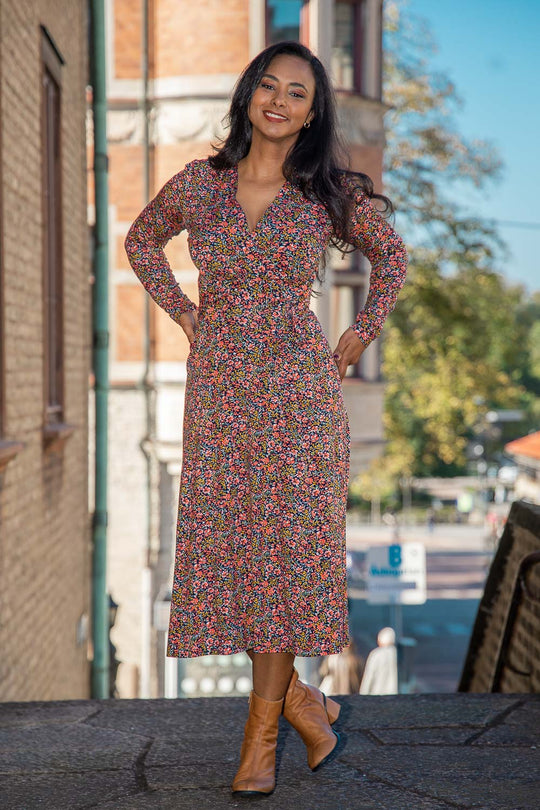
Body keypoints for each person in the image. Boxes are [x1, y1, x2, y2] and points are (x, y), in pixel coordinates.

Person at [125, 41, 407, 798]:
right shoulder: (198, 185)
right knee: (241, 557)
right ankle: (304, 705)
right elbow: (140, 242)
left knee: (282, 562)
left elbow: (394, 260)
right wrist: (187, 315)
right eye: (270, 86)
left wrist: (360, 332)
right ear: (250, 94)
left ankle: (259, 743)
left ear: (313, 114)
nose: (280, 101)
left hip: (298, 396)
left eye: (298, 94)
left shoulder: (326, 193)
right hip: (220, 398)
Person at [359, 627, 399, 695]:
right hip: (396, 695)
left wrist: (363, 694)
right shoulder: (398, 654)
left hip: (377, 695)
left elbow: (369, 677)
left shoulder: (376, 654)